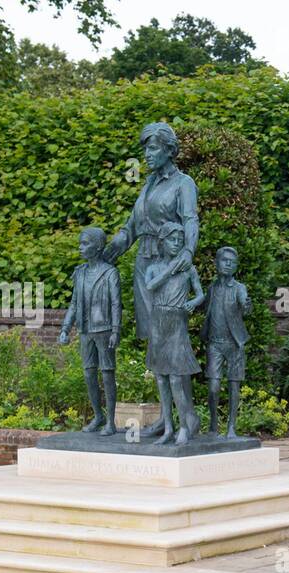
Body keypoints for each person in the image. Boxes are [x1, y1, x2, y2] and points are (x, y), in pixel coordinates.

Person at [104, 121, 199, 439]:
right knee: (156, 346)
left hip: (167, 266)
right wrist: (112, 248)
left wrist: (188, 250)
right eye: (145, 148)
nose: (147, 154)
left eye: (153, 147)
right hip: (144, 266)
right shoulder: (147, 186)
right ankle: (165, 420)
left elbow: (190, 220)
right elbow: (131, 226)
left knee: (172, 345)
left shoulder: (183, 183)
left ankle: (188, 420)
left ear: (169, 150)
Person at [142, 222, 204, 445]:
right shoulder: (153, 268)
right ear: (163, 242)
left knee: (176, 378)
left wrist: (193, 303)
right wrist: (170, 269)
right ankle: (168, 427)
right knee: (160, 378)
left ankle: (184, 427)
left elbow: (200, 294)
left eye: (180, 240)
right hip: (158, 322)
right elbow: (150, 286)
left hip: (177, 322)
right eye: (172, 240)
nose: (176, 244)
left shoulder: (189, 269)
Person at [59, 226, 122, 435]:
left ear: (98, 246)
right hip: (86, 330)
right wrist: (66, 328)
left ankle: (111, 422)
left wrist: (115, 329)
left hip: (104, 329)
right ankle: (98, 416)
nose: (80, 248)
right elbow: (74, 303)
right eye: (80, 243)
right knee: (88, 374)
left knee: (107, 374)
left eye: (85, 243)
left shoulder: (110, 273)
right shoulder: (80, 273)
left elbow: (116, 303)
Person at [202, 246, 251, 437]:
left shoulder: (239, 288)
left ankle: (231, 426)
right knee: (213, 387)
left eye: (232, 262)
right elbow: (205, 309)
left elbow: (244, 303)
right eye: (225, 260)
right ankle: (213, 426)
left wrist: (247, 305)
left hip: (234, 343)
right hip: (214, 343)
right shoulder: (211, 288)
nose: (228, 264)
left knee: (233, 386)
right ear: (217, 263)